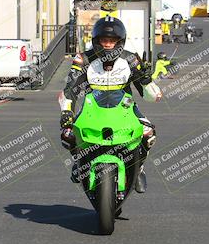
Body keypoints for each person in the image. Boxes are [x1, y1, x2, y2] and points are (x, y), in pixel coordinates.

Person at [59, 16, 161, 193]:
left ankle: (139, 169)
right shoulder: (82, 59)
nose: (107, 44)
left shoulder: (131, 59)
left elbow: (153, 97)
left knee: (148, 133)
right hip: (91, 107)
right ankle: (79, 162)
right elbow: (70, 90)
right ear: (96, 41)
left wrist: (147, 81)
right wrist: (66, 113)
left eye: (112, 40)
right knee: (68, 133)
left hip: (126, 106)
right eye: (104, 40)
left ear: (120, 42)